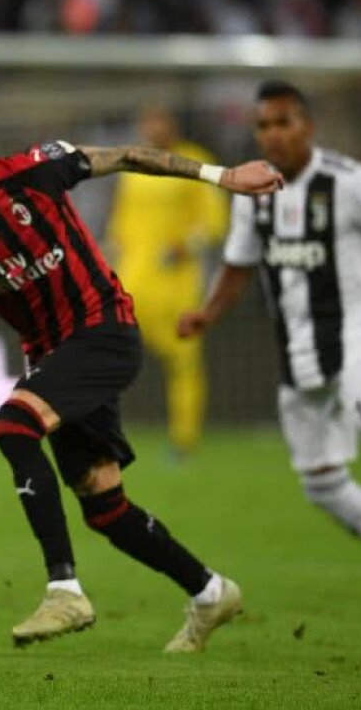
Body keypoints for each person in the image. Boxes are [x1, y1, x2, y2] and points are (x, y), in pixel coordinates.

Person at [0, 90, 281, 651]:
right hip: (50, 356)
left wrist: (223, 176)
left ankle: (64, 590)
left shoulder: (33, 172)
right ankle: (210, 592)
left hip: (104, 328)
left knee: (13, 426)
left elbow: (128, 157)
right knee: (105, 508)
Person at [179, 80, 361, 607]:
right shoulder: (255, 191)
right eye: (263, 125)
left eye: (283, 123)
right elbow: (238, 266)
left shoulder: (349, 182)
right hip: (297, 349)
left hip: (357, 338)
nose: (273, 134)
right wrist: (207, 315)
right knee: (322, 483)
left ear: (308, 126)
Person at [106, 104, 227, 457]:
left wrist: (184, 246)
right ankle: (99, 432)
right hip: (131, 281)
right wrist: (108, 254)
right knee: (105, 352)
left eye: (159, 120)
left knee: (183, 360)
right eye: (148, 121)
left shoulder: (195, 161)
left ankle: (183, 440)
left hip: (177, 283)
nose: (153, 128)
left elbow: (215, 222)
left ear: (173, 124)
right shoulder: (133, 166)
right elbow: (120, 225)